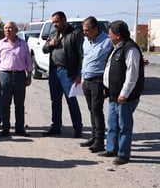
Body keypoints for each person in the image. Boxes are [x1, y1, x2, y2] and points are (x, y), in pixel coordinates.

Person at [98, 20, 145, 166]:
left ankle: (123, 154)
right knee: (112, 123)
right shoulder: (116, 47)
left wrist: (124, 94)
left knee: (124, 125)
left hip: (125, 97)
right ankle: (111, 148)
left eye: (110, 33)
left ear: (118, 35)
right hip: (113, 95)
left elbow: (132, 75)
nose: (108, 36)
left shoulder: (130, 49)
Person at [42, 11, 83, 138]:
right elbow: (44, 49)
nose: (55, 24)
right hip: (54, 71)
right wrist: (50, 44)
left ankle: (77, 128)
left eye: (57, 21)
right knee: (55, 101)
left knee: (71, 100)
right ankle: (56, 127)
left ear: (64, 20)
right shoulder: (53, 34)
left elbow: (81, 55)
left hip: (68, 72)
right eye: (53, 22)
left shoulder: (75, 33)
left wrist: (79, 74)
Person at [0, 21, 33, 137]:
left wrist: (29, 75)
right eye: (5, 28)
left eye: (10, 28)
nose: (7, 30)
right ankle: (5, 128)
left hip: (20, 76)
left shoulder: (23, 44)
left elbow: (28, 60)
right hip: (5, 76)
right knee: (5, 104)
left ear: (16, 30)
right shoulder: (0, 44)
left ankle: (19, 128)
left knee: (19, 104)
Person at [80, 16, 112, 152]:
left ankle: (99, 141)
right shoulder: (86, 42)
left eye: (87, 30)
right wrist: (82, 78)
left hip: (98, 81)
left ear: (96, 29)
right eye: (83, 30)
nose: (85, 33)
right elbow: (85, 59)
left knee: (97, 110)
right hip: (87, 80)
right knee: (91, 110)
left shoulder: (108, 41)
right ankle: (93, 137)